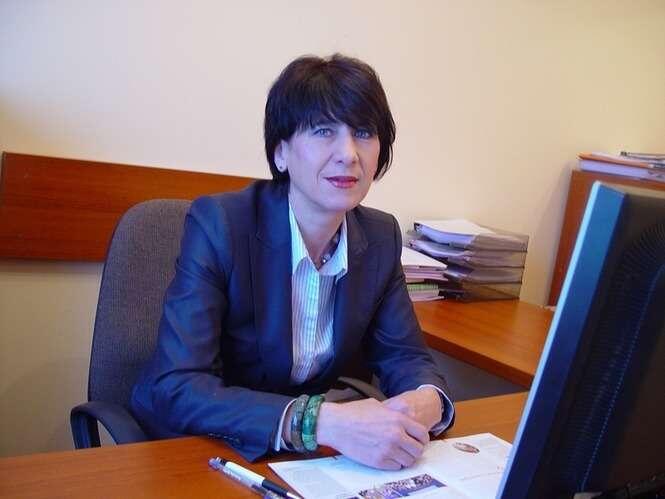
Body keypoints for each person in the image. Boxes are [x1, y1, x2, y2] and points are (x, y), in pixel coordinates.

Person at [130, 53, 454, 470]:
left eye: (363, 132)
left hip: (298, 458)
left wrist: (427, 401)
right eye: (323, 131)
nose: (348, 154)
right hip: (201, 444)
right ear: (281, 152)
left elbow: (404, 356)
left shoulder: (379, 237)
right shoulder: (220, 224)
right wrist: (321, 421)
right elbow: (178, 386)